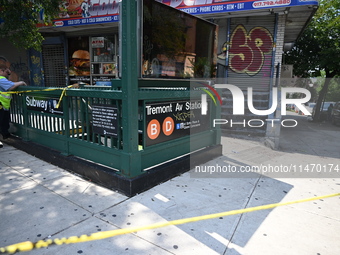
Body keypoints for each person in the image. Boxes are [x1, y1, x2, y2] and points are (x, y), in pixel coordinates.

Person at [0, 64, 27, 148]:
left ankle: (5, 134)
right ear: (1, 71)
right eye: (6, 70)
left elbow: (10, 83)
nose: (9, 72)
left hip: (3, 105)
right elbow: (11, 86)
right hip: (1, 104)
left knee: (3, 122)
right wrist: (21, 82)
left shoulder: (3, 79)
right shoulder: (1, 79)